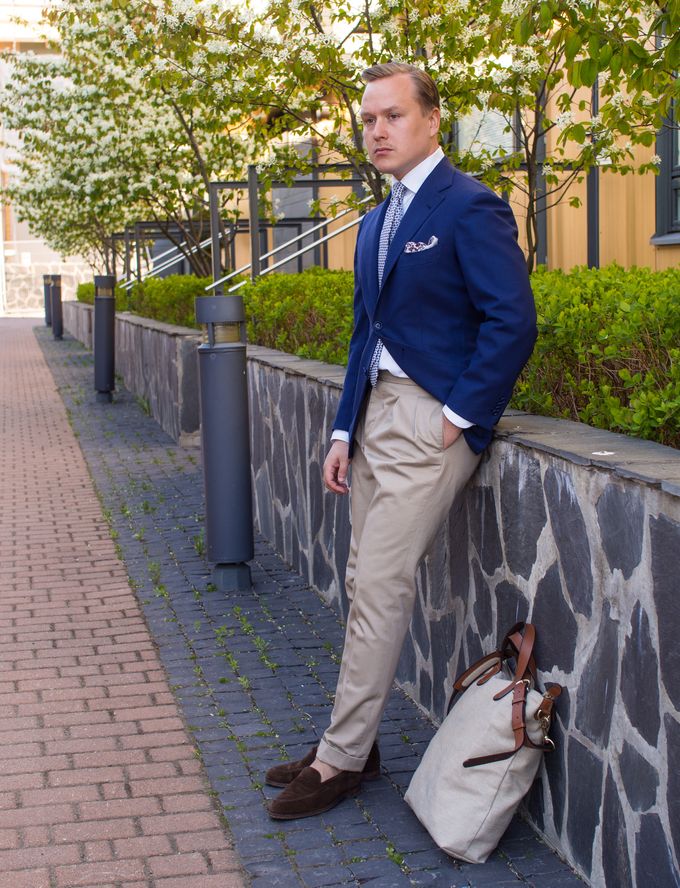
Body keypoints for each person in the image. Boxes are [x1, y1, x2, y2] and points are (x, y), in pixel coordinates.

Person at [265, 61, 537, 820]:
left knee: (381, 583)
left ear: (430, 122)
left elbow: (511, 321)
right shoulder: (381, 220)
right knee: (362, 582)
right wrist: (344, 427)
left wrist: (458, 418)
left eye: (392, 116)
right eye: (369, 120)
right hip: (376, 418)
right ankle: (360, 741)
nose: (377, 131)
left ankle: (341, 759)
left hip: (431, 421)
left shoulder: (468, 206)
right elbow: (367, 332)